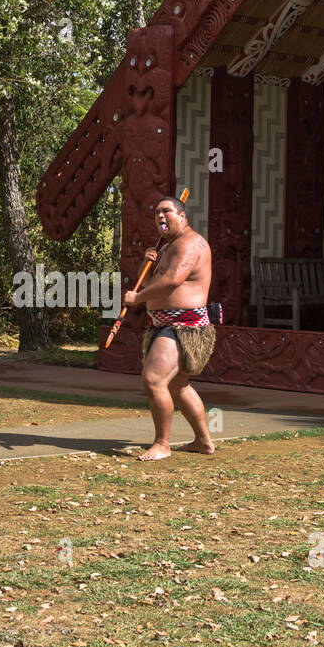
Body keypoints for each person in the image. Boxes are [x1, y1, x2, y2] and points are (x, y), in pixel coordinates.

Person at [121, 196, 217, 461]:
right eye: (156, 213)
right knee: (178, 385)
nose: (160, 216)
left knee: (154, 380)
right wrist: (147, 262)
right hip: (163, 323)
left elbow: (174, 281)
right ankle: (203, 441)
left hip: (183, 325)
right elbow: (150, 279)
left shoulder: (190, 243)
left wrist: (137, 299)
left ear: (183, 216)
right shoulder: (165, 247)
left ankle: (162, 444)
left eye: (167, 211)